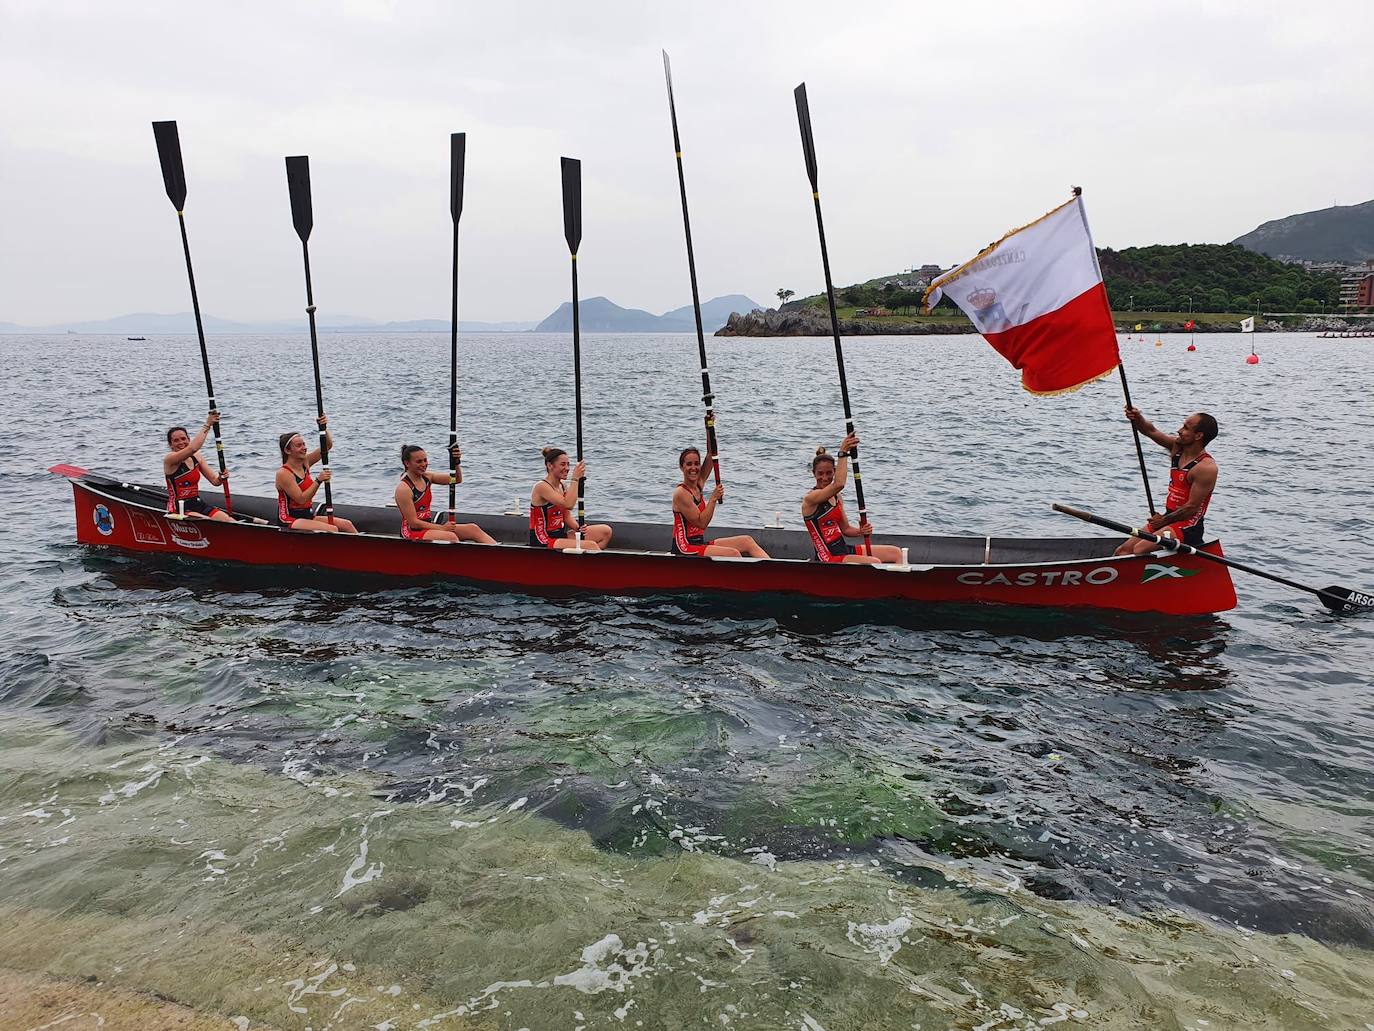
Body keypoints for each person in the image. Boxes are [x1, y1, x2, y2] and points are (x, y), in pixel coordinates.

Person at [1115, 407, 1219, 556]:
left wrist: (1163, 521)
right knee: (1123, 551)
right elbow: (1151, 431)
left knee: (1140, 549)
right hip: (1168, 518)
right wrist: (1137, 418)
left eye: (1185, 428)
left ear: (1198, 436)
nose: (1179, 430)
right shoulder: (1177, 448)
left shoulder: (1206, 467)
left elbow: (1191, 508)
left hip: (1189, 527)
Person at [801, 434, 902, 565]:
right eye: (820, 474)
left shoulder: (837, 497)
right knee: (874, 561)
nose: (825, 478)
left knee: (896, 553)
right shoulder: (811, 499)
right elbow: (839, 484)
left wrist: (861, 531)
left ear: (834, 472)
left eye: (829, 473)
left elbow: (846, 529)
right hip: (828, 558)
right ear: (814, 473)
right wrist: (843, 453)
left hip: (844, 551)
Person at [671, 447, 769, 558]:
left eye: (696, 464)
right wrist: (713, 498)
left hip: (699, 543)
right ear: (681, 467)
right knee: (733, 553)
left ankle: (774, 571)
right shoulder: (681, 493)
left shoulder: (698, 484)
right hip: (685, 547)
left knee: (747, 541)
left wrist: (709, 430)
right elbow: (701, 523)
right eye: (689, 464)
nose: (693, 468)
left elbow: (710, 454)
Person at [395, 444, 496, 544]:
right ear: (407, 463)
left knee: (473, 529)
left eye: (425, 460)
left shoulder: (428, 477)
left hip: (428, 526)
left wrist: (456, 462)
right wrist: (442, 528)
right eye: (419, 461)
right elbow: (414, 523)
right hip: (411, 531)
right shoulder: (404, 489)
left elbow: (456, 479)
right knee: (450, 536)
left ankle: (499, 554)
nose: (424, 464)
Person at [274, 416, 358, 533]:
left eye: (304, 444)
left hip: (307, 515)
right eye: (299, 446)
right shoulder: (283, 473)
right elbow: (301, 499)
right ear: (288, 451)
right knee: (333, 529)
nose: (304, 448)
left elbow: (327, 446)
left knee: (347, 525)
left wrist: (323, 427)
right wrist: (318, 480)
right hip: (290, 518)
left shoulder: (305, 462)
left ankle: (361, 550)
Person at [529, 447, 612, 551]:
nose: (567, 468)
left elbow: (566, 515)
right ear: (550, 466)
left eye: (568, 464)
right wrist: (575, 479)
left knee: (605, 532)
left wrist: (578, 528)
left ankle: (580, 561)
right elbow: (568, 504)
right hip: (543, 539)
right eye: (563, 464)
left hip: (560, 535)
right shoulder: (541, 487)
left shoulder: (562, 485)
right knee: (590, 545)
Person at [163, 412, 233, 521]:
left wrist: (221, 477)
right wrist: (208, 424)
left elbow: (215, 482)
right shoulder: (170, 459)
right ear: (170, 445)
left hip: (197, 503)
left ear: (188, 440)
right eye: (176, 441)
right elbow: (193, 448)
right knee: (209, 521)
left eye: (183, 439)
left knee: (228, 521)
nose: (181, 443)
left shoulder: (197, 457)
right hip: (178, 508)